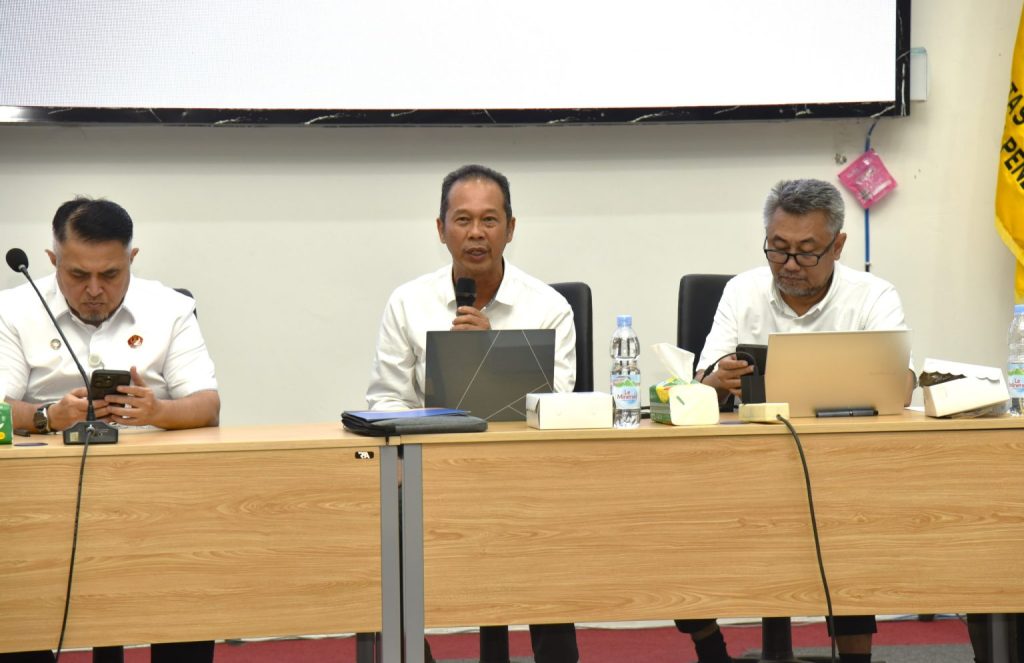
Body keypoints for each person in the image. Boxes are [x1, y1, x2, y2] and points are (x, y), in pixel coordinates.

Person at [678, 178, 915, 663]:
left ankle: (855, 657)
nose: (788, 264)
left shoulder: (872, 295)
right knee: (673, 510)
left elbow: (900, 387)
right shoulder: (741, 291)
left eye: (806, 252)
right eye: (777, 248)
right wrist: (718, 380)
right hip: (742, 465)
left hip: (842, 469)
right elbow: (700, 386)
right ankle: (710, 647)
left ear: (837, 246)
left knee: (850, 522)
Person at [366, 164, 579, 663]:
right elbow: (386, 400)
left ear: (511, 228)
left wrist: (492, 353)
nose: (476, 233)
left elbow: (557, 406)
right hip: (432, 471)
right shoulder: (409, 303)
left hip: (523, 477)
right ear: (441, 229)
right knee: (379, 534)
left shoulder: (548, 307)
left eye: (489, 220)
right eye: (462, 220)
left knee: (554, 535)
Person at [0, 197, 220, 663]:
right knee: (16, 601)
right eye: (78, 275)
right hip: (42, 496)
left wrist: (158, 410)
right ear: (53, 260)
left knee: (194, 582)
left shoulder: (171, 307)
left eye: (111, 274)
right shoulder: (14, 309)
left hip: (155, 496)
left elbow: (208, 405)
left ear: (132, 258)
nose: (95, 290)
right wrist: (46, 417)